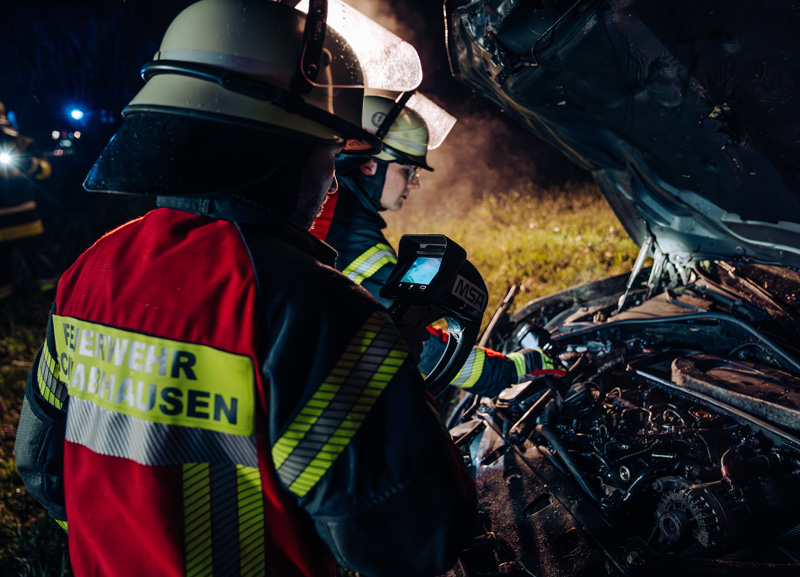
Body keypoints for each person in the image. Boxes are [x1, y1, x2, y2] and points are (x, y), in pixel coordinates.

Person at [14, 2, 477, 576]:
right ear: (277, 147)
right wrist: (403, 403)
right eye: (328, 152)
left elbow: (40, 465)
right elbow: (415, 539)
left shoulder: (93, 268)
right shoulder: (311, 306)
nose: (332, 182)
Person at [312, 95, 561, 401]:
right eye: (408, 170)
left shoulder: (333, 213)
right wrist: (510, 369)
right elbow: (411, 338)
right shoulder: (346, 233)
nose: (414, 184)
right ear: (369, 165)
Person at [0, 100, 59, 299]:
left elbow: (46, 169)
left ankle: (50, 293)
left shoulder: (24, 143)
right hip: (13, 217)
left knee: (38, 255)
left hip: (25, 214)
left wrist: (26, 166)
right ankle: (6, 300)